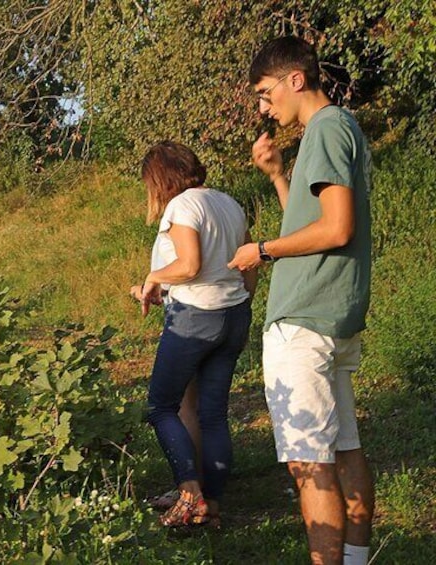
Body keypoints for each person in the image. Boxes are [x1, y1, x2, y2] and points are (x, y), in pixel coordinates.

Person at [228, 36, 374, 565]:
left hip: (305, 320)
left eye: (266, 94)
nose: (265, 108)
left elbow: (336, 228)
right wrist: (275, 176)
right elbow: (311, 222)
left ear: (296, 79)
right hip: (328, 315)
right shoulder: (333, 129)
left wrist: (260, 250)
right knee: (342, 449)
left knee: (309, 464)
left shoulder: (327, 128)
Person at [131, 141, 256, 528]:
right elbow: (248, 264)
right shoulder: (227, 202)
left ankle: (189, 494)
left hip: (194, 318)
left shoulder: (182, 205)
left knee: (160, 407)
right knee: (214, 414)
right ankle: (213, 508)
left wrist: (153, 277)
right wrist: (236, 300)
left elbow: (189, 265)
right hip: (232, 315)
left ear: (159, 179)